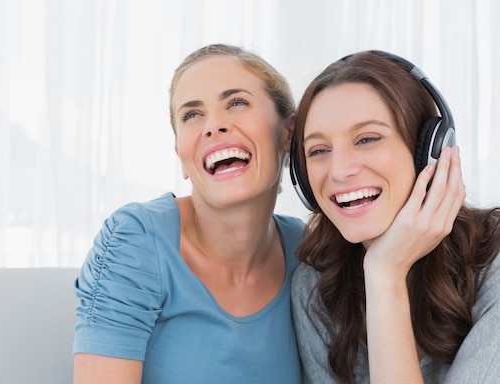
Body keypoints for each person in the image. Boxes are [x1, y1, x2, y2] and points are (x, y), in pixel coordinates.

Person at [72, 43, 305, 383]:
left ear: (287, 132)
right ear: (182, 155)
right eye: (192, 115)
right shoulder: (135, 242)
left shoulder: (307, 254)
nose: (213, 125)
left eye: (236, 102)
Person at [290, 50, 500, 383]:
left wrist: (385, 273)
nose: (340, 170)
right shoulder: (315, 287)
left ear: (430, 150)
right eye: (318, 150)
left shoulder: (494, 263)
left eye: (367, 139)